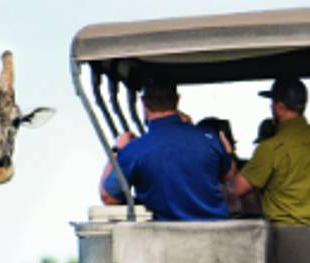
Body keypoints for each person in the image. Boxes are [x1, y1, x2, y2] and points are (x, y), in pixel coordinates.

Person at [96, 78, 233, 221]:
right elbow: (231, 181)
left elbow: (108, 197)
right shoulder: (209, 138)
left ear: (143, 102)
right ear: (177, 99)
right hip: (217, 236)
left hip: (164, 238)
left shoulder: (134, 150)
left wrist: (117, 150)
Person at [229, 77, 310, 227]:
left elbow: (235, 190)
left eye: (272, 103)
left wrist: (228, 157)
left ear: (279, 107)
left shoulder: (271, 148)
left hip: (287, 241)